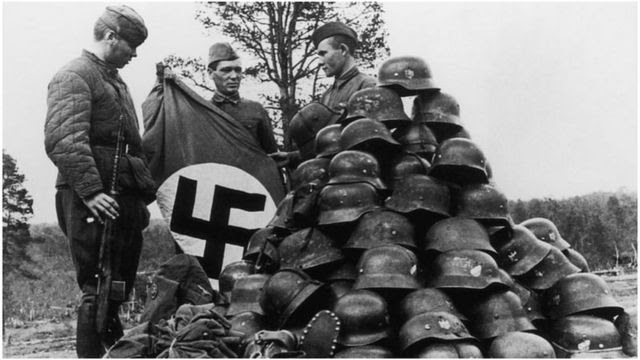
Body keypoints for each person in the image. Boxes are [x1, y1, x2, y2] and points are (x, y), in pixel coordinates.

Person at [44, 5, 155, 357]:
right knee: (97, 287)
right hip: (91, 198)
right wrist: (91, 191)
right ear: (111, 37)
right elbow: (64, 139)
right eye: (131, 44)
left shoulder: (113, 81)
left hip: (118, 197)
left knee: (117, 287)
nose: (135, 54)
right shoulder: (74, 75)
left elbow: (130, 145)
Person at [207, 42, 279, 154]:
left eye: (238, 70)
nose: (234, 76)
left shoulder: (256, 109)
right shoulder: (204, 110)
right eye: (226, 70)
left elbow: (271, 156)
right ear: (211, 73)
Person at [312, 21, 376, 111]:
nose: (319, 62)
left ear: (343, 50)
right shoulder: (326, 95)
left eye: (323, 53)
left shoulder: (368, 86)